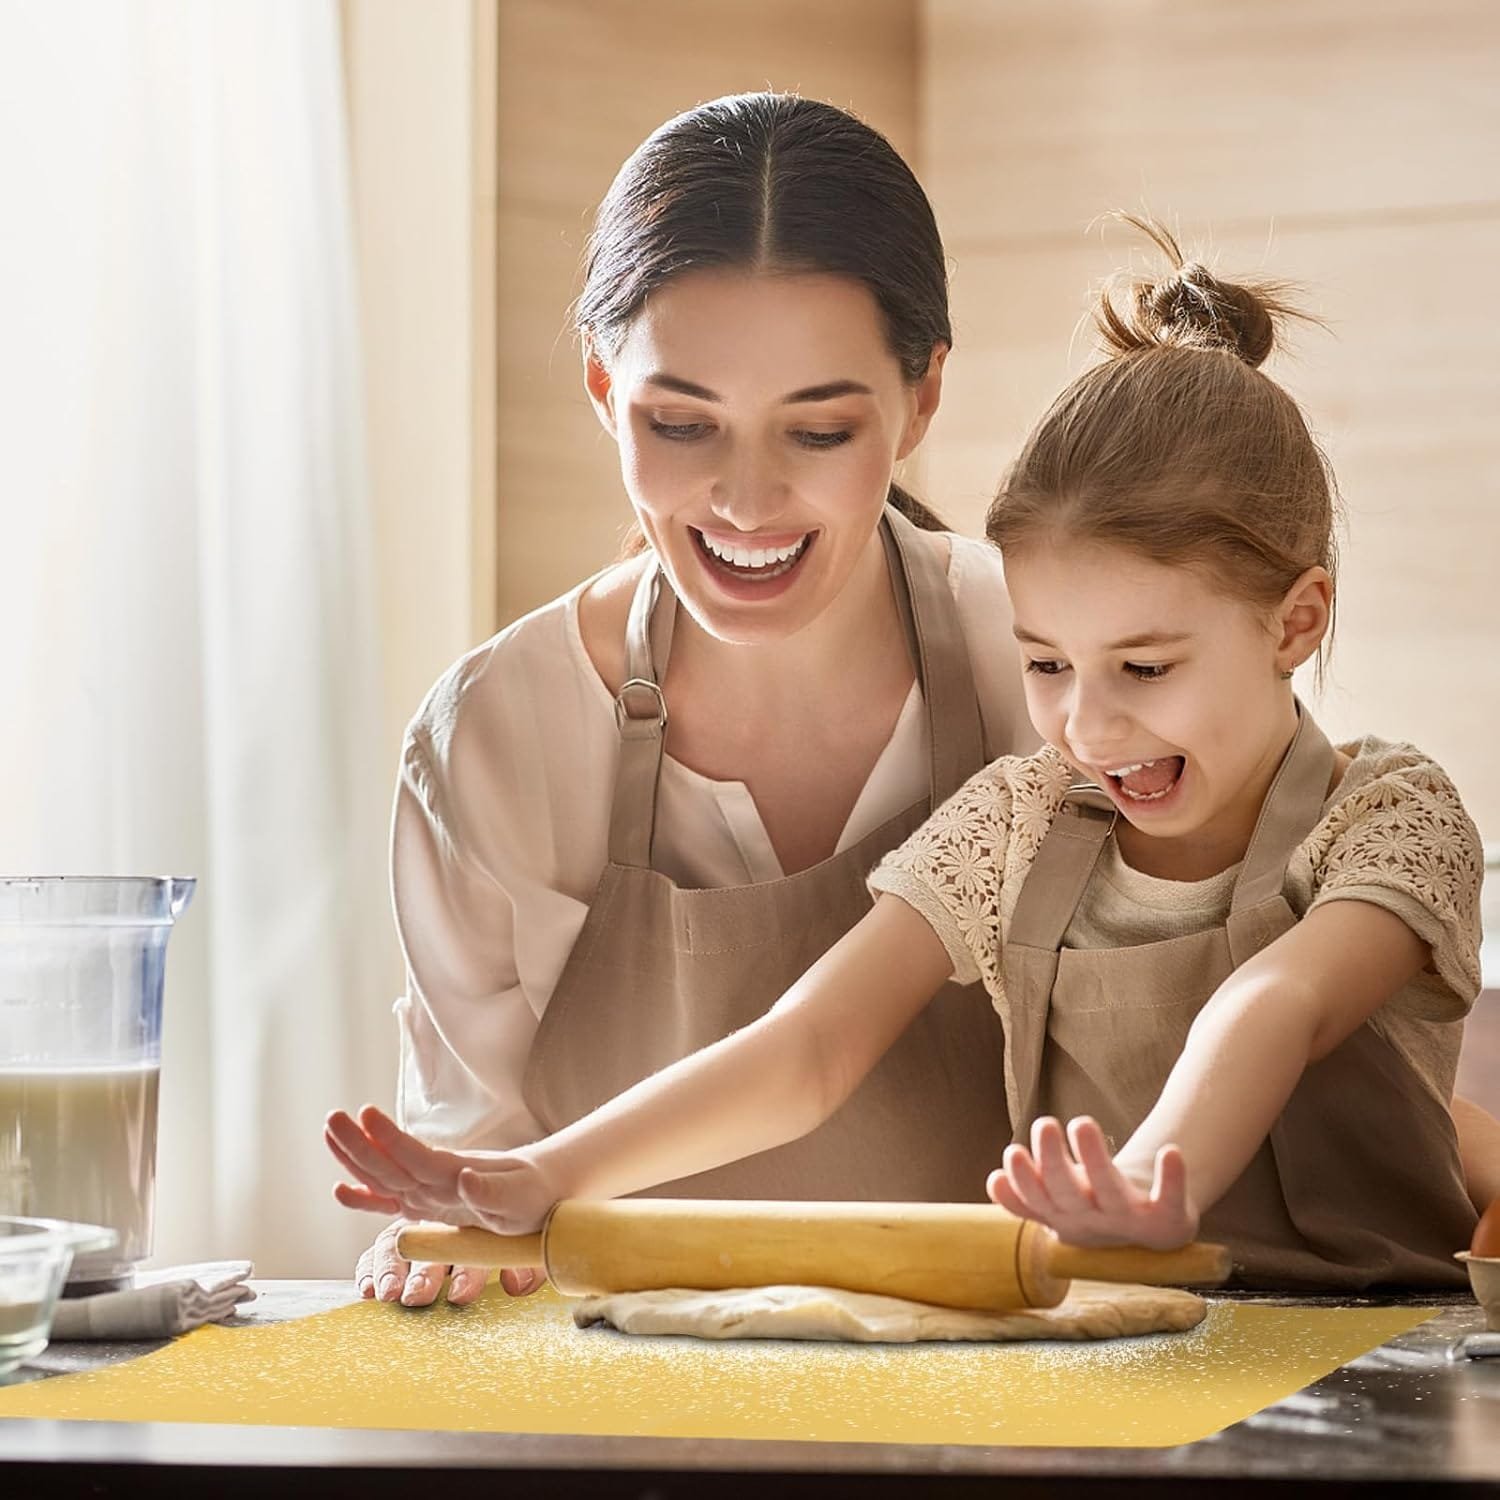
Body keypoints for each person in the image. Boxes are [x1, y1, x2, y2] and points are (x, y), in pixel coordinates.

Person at [330, 219, 1493, 1289]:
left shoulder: (1392, 815)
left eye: (1145, 670)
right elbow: (808, 1044)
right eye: (1045, 664)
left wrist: (1150, 1186)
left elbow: (1275, 1002)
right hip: (1110, 1353)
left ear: (1296, 622)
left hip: (1376, 1349)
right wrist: (546, 1175)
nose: (1088, 728)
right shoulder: (1025, 815)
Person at [352, 92, 1037, 1307]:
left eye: (819, 431)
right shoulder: (501, 737)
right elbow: (482, 1177)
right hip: (622, 1421)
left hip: (1020, 1413)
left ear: (924, 398)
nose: (746, 498)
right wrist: (447, 1244)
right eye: (682, 422)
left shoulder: (1039, 662)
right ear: (606, 389)